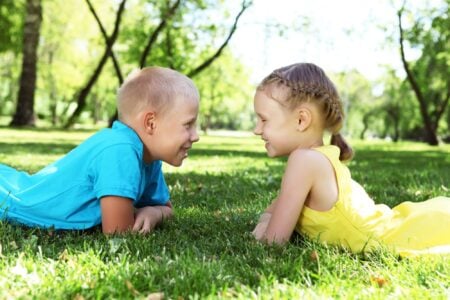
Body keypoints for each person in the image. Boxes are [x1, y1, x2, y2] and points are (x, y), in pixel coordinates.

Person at [251, 62, 450, 256]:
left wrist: (262, 228)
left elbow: (273, 241)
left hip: (404, 234)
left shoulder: (304, 161)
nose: (256, 130)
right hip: (406, 223)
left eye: (264, 120)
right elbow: (273, 210)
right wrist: (266, 220)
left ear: (301, 120)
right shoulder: (315, 158)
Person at [0, 66, 200, 234]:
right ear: (150, 123)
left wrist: (154, 213)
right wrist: (146, 212)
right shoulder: (120, 150)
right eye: (188, 124)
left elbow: (167, 210)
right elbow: (117, 232)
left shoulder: (150, 158)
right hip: (11, 198)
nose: (196, 135)